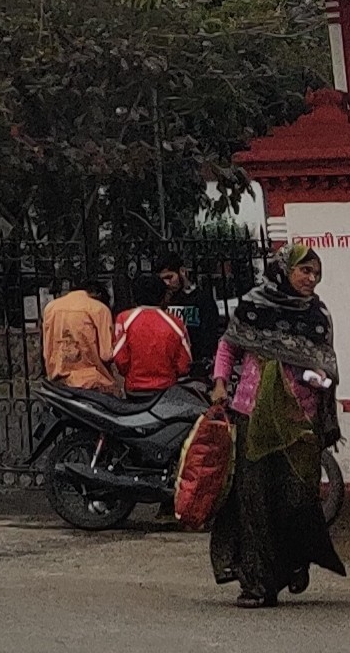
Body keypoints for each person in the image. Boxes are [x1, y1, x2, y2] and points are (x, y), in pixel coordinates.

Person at [209, 243, 344, 608]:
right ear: (285, 270)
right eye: (305, 271)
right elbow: (228, 346)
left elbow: (325, 363)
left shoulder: (317, 314)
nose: (311, 279)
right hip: (251, 413)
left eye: (316, 273)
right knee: (254, 500)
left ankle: (293, 566)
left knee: (296, 499)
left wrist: (319, 378)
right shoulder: (253, 305)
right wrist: (220, 383)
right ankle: (255, 584)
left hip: (299, 419)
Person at [113, 279, 193, 394]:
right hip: (167, 389)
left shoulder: (124, 319)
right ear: (163, 296)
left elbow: (120, 359)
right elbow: (184, 363)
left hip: (135, 389)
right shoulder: (176, 322)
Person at [42, 279, 122, 394]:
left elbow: (47, 351)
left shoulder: (51, 308)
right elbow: (106, 354)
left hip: (59, 380)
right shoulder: (99, 309)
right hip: (92, 382)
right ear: (98, 295)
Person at [158, 253, 224, 376]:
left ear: (182, 272)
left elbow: (209, 329)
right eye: (163, 279)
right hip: (171, 364)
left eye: (169, 277)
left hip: (197, 363)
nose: (167, 283)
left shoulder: (202, 299)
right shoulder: (163, 302)